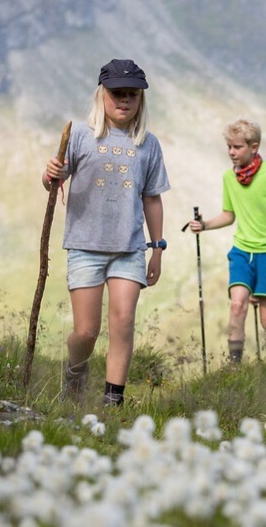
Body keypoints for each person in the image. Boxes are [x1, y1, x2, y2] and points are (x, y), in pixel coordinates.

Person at [42, 59, 170, 406]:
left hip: (129, 249)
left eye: (132, 94)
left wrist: (157, 248)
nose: (124, 100)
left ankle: (113, 400)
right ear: (102, 94)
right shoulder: (81, 135)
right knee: (86, 331)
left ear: (140, 99)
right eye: (117, 93)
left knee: (124, 321)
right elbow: (54, 181)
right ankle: (75, 372)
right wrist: (49, 172)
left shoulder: (149, 144)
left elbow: (152, 198)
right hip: (85, 246)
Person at [188, 118, 266, 363]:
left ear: (254, 147)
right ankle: (234, 365)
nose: (231, 152)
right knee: (237, 305)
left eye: (237, 147)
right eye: (229, 147)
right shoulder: (229, 178)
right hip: (241, 251)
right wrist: (204, 226)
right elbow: (229, 215)